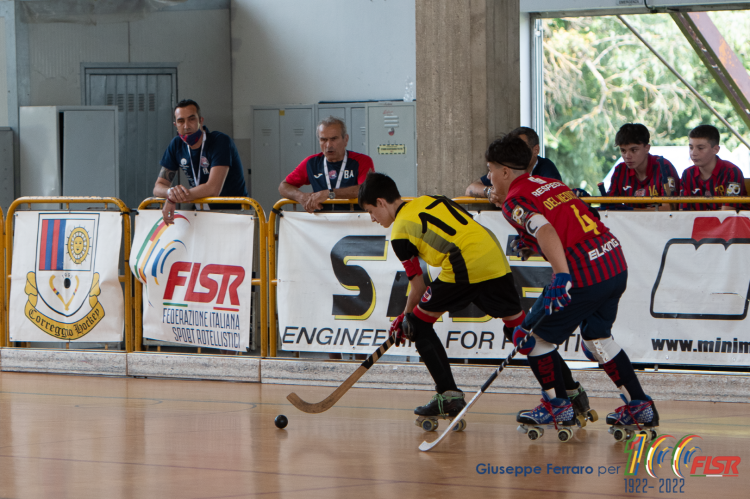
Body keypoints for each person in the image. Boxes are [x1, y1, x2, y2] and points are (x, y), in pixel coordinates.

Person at [487, 135, 658, 433]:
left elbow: (546, 229)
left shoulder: (515, 201)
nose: (489, 178)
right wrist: (534, 244)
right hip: (613, 262)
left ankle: (558, 408)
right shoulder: (551, 183)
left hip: (584, 274)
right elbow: (570, 220)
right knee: (598, 339)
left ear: (504, 171)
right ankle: (639, 406)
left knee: (532, 338)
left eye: (490, 170)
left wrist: (561, 275)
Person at [358, 172, 526, 424]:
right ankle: (568, 392)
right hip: (493, 255)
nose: (372, 218)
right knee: (521, 331)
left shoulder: (400, 233)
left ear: (382, 202)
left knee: (418, 325)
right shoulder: (428, 199)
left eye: (371, 211)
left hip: (465, 263)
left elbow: (417, 286)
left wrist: (405, 317)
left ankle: (448, 395)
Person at [154, 99, 248, 225]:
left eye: (191, 119)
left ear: (200, 120)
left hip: (233, 216)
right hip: (202, 216)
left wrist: (172, 199)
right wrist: (170, 192)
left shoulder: (220, 141)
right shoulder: (176, 145)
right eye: (181, 121)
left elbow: (213, 189)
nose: (186, 126)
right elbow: (158, 186)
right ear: (175, 124)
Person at [279, 116, 375, 213]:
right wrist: (301, 197)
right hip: (323, 223)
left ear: (345, 139)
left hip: (353, 222)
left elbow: (365, 190)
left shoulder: (362, 161)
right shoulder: (311, 163)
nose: (328, 145)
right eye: (323, 140)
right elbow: (283, 186)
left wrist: (330, 193)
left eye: (333, 139)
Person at [465, 126, 561, 204]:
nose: (515, 153)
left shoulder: (547, 168)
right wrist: (489, 192)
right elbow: (470, 189)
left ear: (536, 150)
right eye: (512, 148)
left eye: (521, 148)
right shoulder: (507, 167)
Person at [607, 123, 680, 210]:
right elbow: (608, 206)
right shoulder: (620, 170)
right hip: (629, 223)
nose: (627, 156)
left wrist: (631, 211)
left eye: (633, 150)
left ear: (647, 148)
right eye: (623, 150)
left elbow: (670, 207)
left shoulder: (664, 167)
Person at [679, 125, 748, 211]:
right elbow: (683, 213)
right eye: (691, 147)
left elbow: (726, 214)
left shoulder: (731, 172)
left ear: (715, 149)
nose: (693, 153)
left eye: (700, 148)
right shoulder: (687, 174)